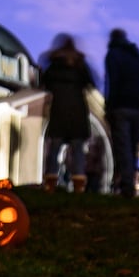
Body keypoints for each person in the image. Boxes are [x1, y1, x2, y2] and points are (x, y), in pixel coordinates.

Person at [40, 33, 95, 192]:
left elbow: (44, 83)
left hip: (59, 110)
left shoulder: (53, 66)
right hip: (77, 111)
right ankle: (78, 182)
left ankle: (50, 181)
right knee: (77, 149)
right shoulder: (80, 67)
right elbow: (90, 84)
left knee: (55, 148)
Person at [104, 28, 139, 195]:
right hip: (138, 107)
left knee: (123, 148)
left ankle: (126, 184)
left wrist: (109, 106)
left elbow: (112, 81)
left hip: (121, 106)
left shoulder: (113, 55)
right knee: (132, 147)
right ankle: (127, 181)